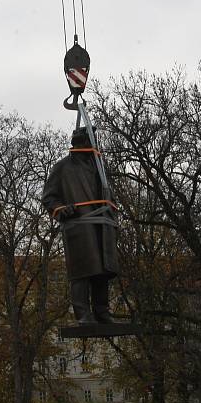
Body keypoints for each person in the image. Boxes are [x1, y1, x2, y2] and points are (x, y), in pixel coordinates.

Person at [42, 127, 118, 324]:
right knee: (82, 271)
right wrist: (61, 209)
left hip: (102, 224)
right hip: (80, 224)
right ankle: (83, 315)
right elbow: (49, 198)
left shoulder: (99, 166)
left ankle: (102, 312)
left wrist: (112, 213)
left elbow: (108, 193)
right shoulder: (62, 167)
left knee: (102, 270)